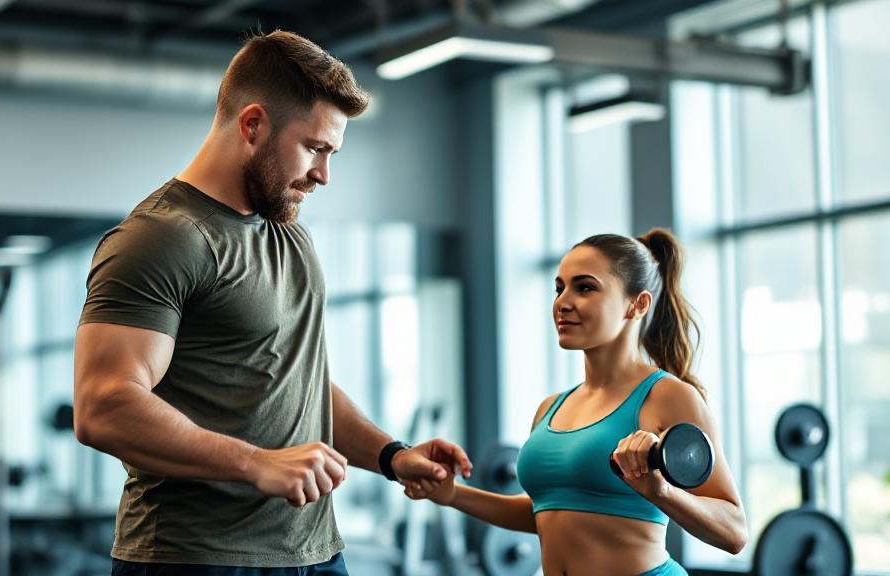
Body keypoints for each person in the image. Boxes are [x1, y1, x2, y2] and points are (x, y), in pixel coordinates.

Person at [73, 30, 472, 575]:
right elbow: (103, 405)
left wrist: (391, 456)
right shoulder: (164, 238)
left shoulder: (288, 234)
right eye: (314, 148)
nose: (324, 176)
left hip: (316, 553)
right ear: (253, 124)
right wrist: (254, 463)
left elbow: (297, 382)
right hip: (195, 560)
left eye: (332, 154)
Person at [404, 229, 747, 576]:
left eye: (585, 287)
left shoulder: (668, 396)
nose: (562, 302)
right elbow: (549, 511)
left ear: (638, 304)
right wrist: (453, 495)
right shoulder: (550, 408)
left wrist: (661, 492)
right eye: (559, 288)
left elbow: (734, 532)